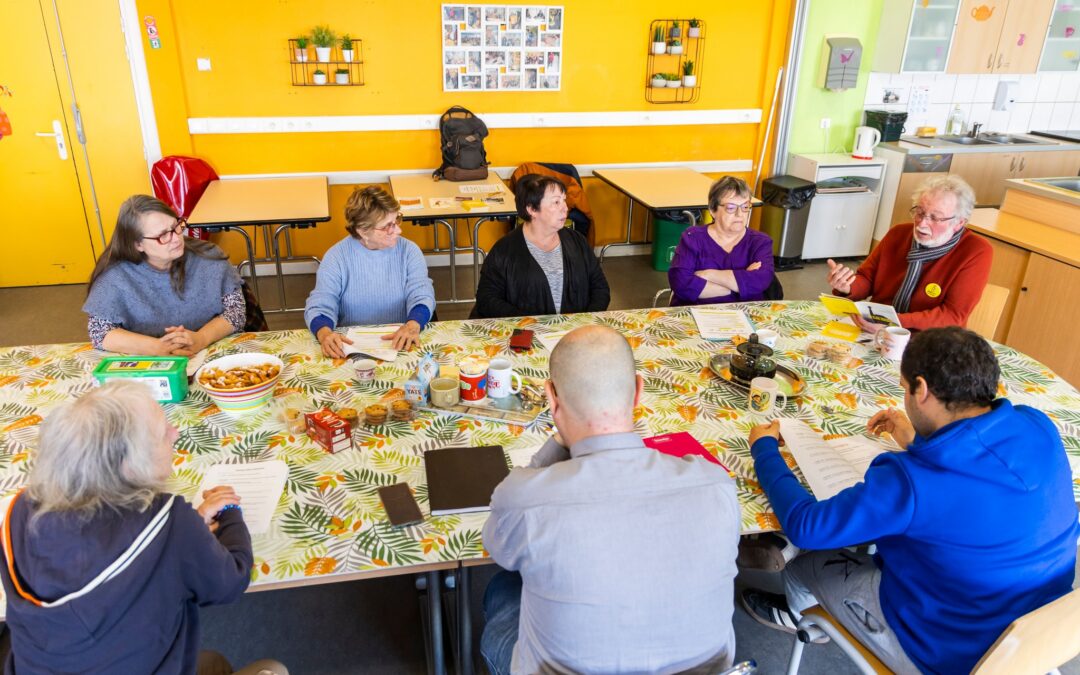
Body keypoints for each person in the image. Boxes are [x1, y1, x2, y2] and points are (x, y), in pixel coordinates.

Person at [741, 327, 1078, 674]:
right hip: (1039, 635)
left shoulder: (912, 479)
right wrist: (917, 438)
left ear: (923, 390)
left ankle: (797, 617)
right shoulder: (1038, 425)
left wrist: (764, 450)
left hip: (947, 653)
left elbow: (806, 527)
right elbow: (976, 471)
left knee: (804, 562)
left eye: (904, 389)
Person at [481, 326, 741, 674]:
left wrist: (556, 446)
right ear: (637, 392)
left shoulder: (525, 498)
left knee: (503, 587)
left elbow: (500, 550)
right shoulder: (716, 484)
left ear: (551, 398)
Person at [0, 380, 287, 675]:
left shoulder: (18, 511)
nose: (176, 434)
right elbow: (230, 581)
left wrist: (186, 532)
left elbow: (97, 555)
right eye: (163, 433)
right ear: (129, 465)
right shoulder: (170, 521)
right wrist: (230, 512)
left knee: (212, 662)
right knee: (271, 667)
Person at [826, 174, 991, 332]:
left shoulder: (975, 250)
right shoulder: (898, 234)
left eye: (935, 218)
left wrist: (894, 323)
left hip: (930, 339)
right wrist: (848, 286)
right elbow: (867, 278)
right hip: (875, 328)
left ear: (959, 223)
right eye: (920, 212)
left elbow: (952, 316)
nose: (922, 223)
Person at [83, 195, 245, 356]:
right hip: (148, 358)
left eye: (176, 226)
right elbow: (100, 333)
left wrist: (201, 338)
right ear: (138, 244)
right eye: (163, 235)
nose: (176, 239)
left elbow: (235, 312)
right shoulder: (115, 276)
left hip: (210, 349)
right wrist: (157, 347)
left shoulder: (209, 256)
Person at [304, 186, 436, 357]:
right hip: (351, 345)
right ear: (362, 230)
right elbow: (321, 303)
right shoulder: (337, 257)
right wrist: (325, 334)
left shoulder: (409, 251)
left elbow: (422, 294)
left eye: (397, 220)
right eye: (387, 226)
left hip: (401, 339)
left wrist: (413, 324)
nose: (398, 230)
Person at [473, 175, 609, 318]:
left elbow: (600, 287)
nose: (565, 208)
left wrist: (586, 321)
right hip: (526, 334)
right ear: (532, 209)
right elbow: (486, 299)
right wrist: (530, 323)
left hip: (576, 334)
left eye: (563, 200)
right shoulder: (504, 250)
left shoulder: (578, 241)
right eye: (556, 202)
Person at [667, 176, 774, 305]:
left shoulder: (760, 242)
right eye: (731, 208)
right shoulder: (692, 238)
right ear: (713, 210)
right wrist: (739, 285)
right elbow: (681, 284)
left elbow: (759, 282)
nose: (740, 214)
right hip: (696, 315)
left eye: (745, 207)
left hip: (744, 316)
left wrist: (709, 275)